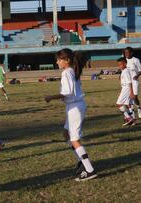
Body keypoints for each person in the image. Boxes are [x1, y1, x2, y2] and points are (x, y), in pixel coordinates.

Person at [45, 48, 97, 181]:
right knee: (66, 134)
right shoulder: (72, 70)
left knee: (74, 139)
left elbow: (67, 92)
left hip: (75, 107)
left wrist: (51, 97)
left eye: (59, 59)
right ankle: (81, 160)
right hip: (74, 106)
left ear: (67, 60)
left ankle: (89, 170)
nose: (57, 62)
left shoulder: (66, 72)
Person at [123, 47, 141, 118]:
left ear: (131, 53)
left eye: (127, 52)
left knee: (135, 97)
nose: (126, 54)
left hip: (134, 81)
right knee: (129, 98)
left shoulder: (136, 60)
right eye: (125, 52)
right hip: (127, 81)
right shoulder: (124, 60)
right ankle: (132, 114)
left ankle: (139, 108)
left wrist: (137, 75)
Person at [116, 57, 135, 126]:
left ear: (125, 63)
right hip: (124, 88)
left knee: (119, 104)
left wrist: (131, 92)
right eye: (118, 65)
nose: (119, 66)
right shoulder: (124, 71)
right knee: (127, 104)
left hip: (126, 89)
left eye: (121, 64)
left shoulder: (126, 71)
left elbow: (130, 82)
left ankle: (129, 118)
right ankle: (132, 119)